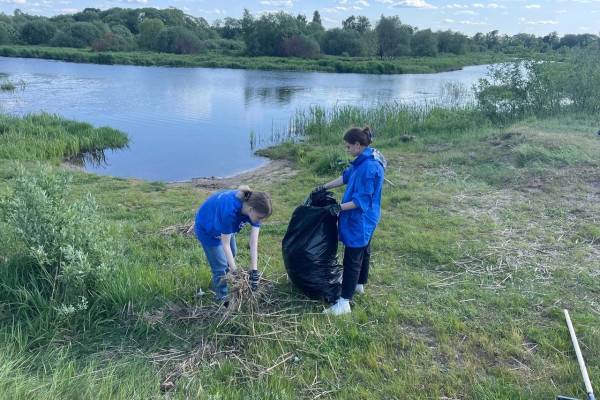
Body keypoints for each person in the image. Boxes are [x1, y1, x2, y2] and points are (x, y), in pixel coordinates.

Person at [315, 126, 386, 316]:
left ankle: (344, 302)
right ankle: (359, 284)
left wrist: (337, 208)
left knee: (353, 258)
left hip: (361, 220)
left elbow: (360, 202)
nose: (346, 150)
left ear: (357, 144)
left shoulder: (369, 168)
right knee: (365, 250)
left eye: (348, 147)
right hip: (369, 217)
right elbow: (346, 176)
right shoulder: (365, 158)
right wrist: (323, 186)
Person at [194, 185, 272, 304]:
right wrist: (236, 273)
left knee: (233, 253)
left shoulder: (253, 211)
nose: (259, 221)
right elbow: (225, 244)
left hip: (224, 229)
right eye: (259, 217)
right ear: (251, 209)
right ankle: (222, 299)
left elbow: (253, 242)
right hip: (208, 228)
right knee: (220, 266)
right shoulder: (230, 212)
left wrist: (254, 271)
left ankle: (223, 278)